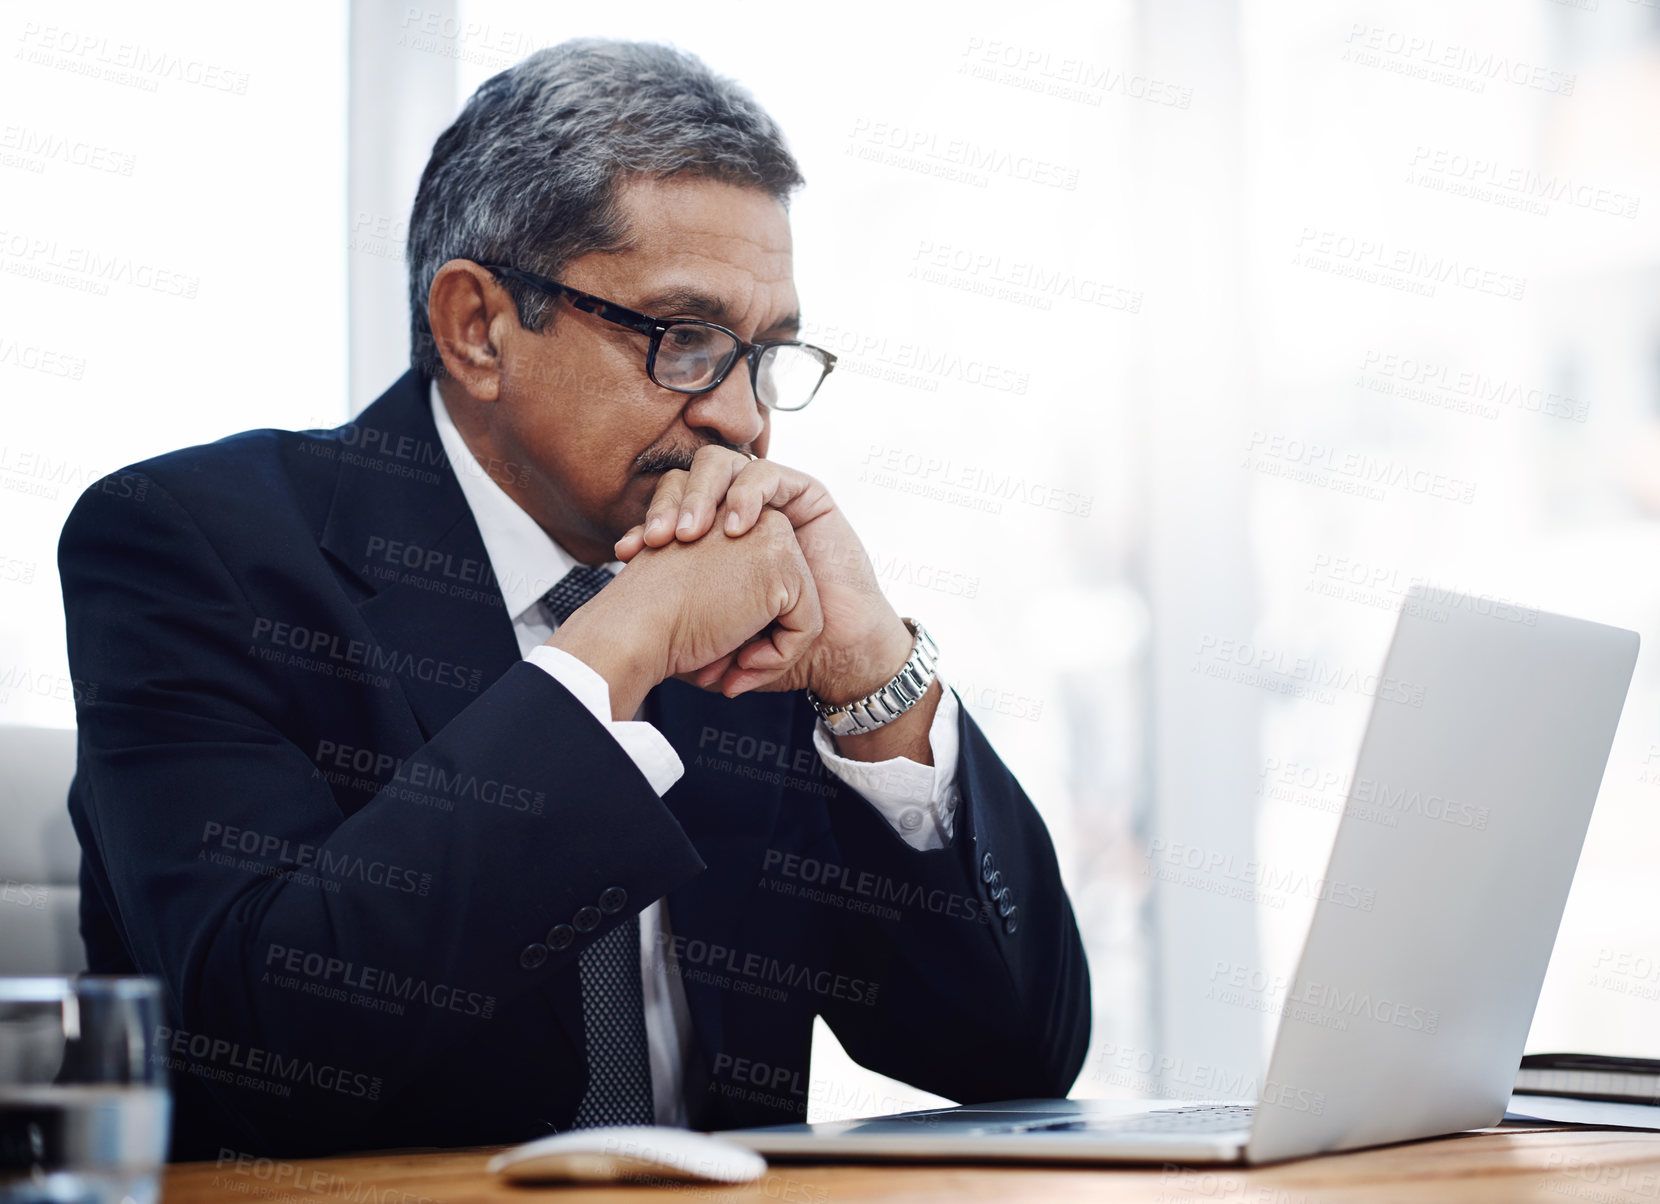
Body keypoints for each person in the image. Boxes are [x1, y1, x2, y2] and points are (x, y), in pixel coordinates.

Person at [58, 38, 1090, 1160]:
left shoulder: (751, 590)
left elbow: (1015, 1057)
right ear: (478, 327)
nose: (743, 420)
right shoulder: (196, 545)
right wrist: (621, 643)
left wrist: (871, 673)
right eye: (686, 338)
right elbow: (265, 1049)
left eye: (767, 354)